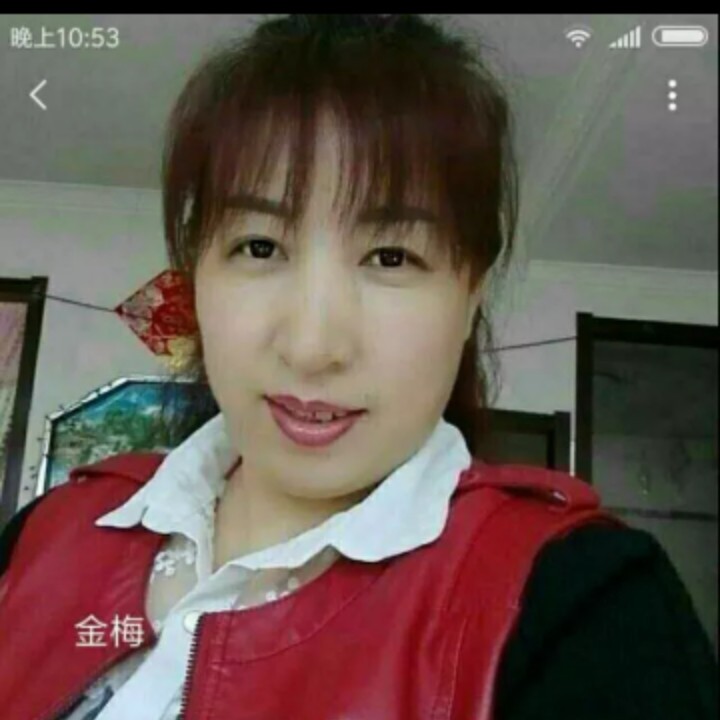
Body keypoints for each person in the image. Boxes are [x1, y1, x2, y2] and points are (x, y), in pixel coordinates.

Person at [0, 13, 717, 720]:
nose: (313, 346)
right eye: (259, 246)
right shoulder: (49, 533)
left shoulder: (583, 606)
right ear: (197, 268)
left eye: (391, 257)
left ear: (470, 290)